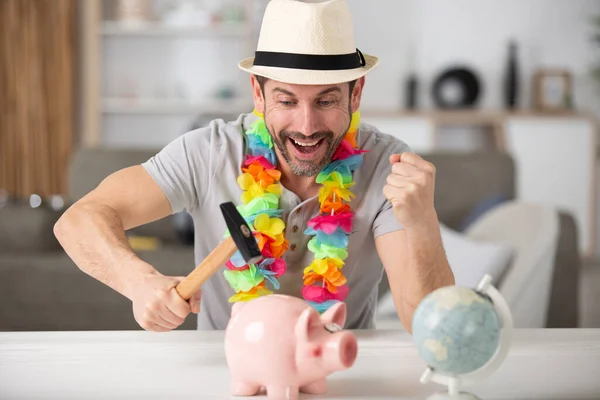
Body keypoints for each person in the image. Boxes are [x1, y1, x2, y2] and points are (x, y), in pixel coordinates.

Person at [54, 0, 454, 333]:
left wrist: (422, 224)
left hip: (341, 370)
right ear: (258, 95)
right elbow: (79, 219)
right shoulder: (209, 151)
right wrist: (139, 283)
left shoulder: (387, 166)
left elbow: (427, 325)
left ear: (357, 93)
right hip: (229, 371)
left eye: (326, 101)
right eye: (286, 100)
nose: (307, 125)